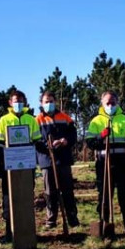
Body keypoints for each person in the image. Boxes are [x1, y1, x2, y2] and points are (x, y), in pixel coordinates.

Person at [86, 91, 125, 236]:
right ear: (102, 104)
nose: (110, 105)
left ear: (117, 102)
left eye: (113, 103)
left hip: (122, 163)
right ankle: (104, 225)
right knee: (104, 195)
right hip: (103, 163)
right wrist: (101, 135)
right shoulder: (96, 121)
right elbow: (90, 143)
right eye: (107, 103)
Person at [0, 90, 43, 241]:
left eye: (21, 101)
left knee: (27, 197)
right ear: (10, 102)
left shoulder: (31, 119)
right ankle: (9, 232)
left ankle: (27, 231)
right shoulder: (4, 120)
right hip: (9, 168)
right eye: (15, 101)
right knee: (8, 199)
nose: (18, 104)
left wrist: (47, 150)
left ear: (25, 102)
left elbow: (38, 141)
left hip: (27, 166)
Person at [35, 91, 80, 230]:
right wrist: (47, 145)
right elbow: (35, 140)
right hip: (46, 160)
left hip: (64, 159)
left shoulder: (65, 117)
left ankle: (72, 218)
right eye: (46, 101)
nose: (49, 104)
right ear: (41, 104)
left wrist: (65, 141)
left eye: (51, 101)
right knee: (50, 192)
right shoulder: (37, 120)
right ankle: (51, 220)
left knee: (68, 190)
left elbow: (73, 134)